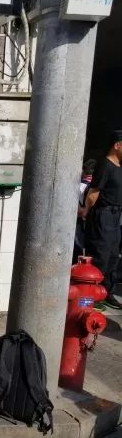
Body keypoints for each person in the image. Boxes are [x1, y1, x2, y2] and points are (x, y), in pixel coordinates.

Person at [79, 130, 122, 309]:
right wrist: (86, 211)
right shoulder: (105, 165)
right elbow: (93, 192)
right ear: (117, 145)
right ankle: (92, 297)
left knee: (113, 255)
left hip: (115, 215)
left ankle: (106, 292)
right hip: (102, 214)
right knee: (100, 255)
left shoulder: (119, 166)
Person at [73, 158, 97, 264]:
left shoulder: (83, 183)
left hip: (81, 217)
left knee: (78, 246)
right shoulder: (92, 184)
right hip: (88, 218)